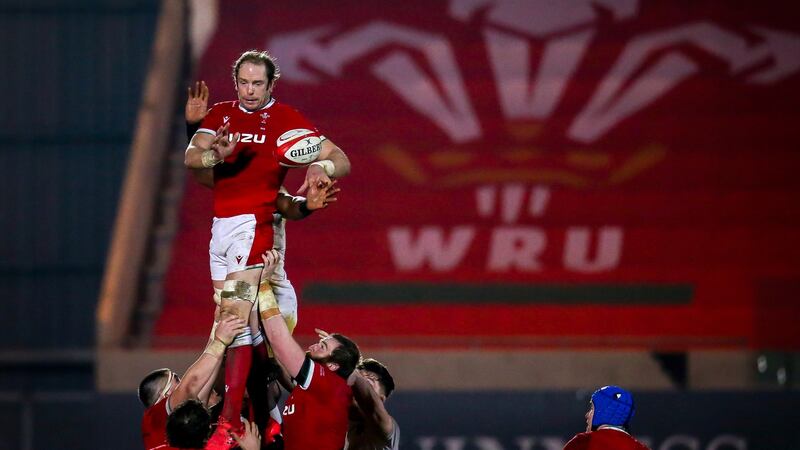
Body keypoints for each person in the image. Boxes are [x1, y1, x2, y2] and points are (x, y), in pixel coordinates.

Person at [183, 50, 350, 441]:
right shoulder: (221, 113)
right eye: (243, 82)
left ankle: (230, 422)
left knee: (235, 318)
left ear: (272, 84)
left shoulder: (286, 120)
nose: (250, 90)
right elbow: (192, 158)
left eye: (258, 83)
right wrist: (213, 154)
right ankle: (256, 417)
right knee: (230, 324)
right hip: (220, 229)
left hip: (252, 228)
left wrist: (320, 166)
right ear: (235, 82)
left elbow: (340, 158)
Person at [257, 249, 361, 450]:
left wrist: (263, 286)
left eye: (322, 347)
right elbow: (280, 361)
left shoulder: (326, 382)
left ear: (333, 365)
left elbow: (279, 341)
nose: (315, 345)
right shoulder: (319, 389)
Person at [139, 315, 246, 450]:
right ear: (165, 395)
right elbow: (191, 384)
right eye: (177, 381)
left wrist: (217, 323)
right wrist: (220, 342)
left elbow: (205, 381)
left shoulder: (177, 425)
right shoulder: (156, 417)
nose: (181, 383)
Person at [563, 385, 650, 450]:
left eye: (592, 408)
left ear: (602, 411)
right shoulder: (641, 448)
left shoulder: (582, 443)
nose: (587, 415)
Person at [345, 358, 400, 450]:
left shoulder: (387, 427)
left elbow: (370, 403)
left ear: (380, 400)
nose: (357, 389)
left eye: (368, 384)